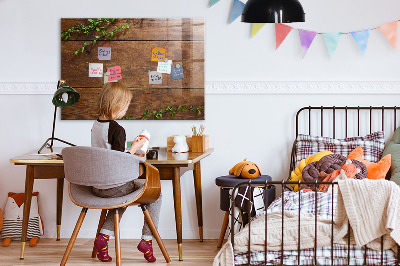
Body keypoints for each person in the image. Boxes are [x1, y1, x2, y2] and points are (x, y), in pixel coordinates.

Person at [91, 82, 162, 263]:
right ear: (117, 105)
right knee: (156, 194)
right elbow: (119, 161)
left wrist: (132, 150)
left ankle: (104, 238)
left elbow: (108, 155)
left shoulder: (96, 125)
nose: (126, 109)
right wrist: (135, 149)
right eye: (126, 105)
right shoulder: (117, 129)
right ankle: (147, 240)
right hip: (114, 186)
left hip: (97, 186)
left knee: (121, 198)